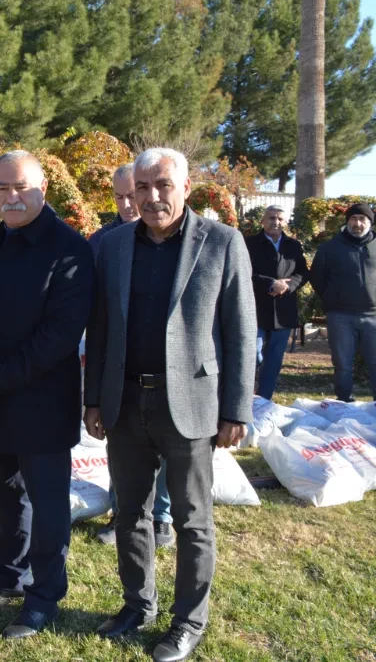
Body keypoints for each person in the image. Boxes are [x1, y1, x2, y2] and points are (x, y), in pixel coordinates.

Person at [84, 148, 256, 662]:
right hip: (125, 399)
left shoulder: (223, 242)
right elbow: (101, 327)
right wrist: (93, 399)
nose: (152, 196)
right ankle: (138, 606)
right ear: (131, 191)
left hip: (192, 403)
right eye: (142, 186)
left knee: (191, 519)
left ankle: (188, 622)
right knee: (130, 512)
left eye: (162, 185)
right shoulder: (112, 245)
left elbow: (241, 331)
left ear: (185, 187)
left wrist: (236, 410)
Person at [0, 150, 93, 638]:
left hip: (40, 400)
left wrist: (0, 378)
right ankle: (10, 577)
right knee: (5, 496)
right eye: (0, 189)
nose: (10, 197)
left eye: (20, 187)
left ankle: (44, 596)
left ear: (43, 188)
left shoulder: (69, 248)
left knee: (48, 505)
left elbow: (60, 334)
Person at [89, 163, 174, 548]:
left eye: (132, 194)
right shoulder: (104, 242)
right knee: (123, 450)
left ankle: (162, 517)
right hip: (121, 372)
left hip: (171, 374)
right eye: (120, 197)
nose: (128, 204)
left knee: (169, 452)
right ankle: (120, 511)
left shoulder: (181, 239)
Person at [310, 203, 376, 401]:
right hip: (340, 316)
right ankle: (344, 402)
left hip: (373, 316)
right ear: (347, 222)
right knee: (343, 364)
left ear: (370, 223)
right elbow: (317, 278)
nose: (357, 223)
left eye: (362, 219)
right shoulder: (330, 248)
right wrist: (332, 298)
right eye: (353, 219)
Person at [246, 205, 309, 400]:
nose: (276, 222)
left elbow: (302, 272)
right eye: (271, 218)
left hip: (283, 311)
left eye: (280, 219)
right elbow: (242, 272)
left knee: (273, 361)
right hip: (256, 310)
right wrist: (270, 283)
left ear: (285, 222)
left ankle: (264, 401)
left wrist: (288, 286)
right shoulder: (248, 244)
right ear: (263, 221)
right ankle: (243, 399)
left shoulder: (293, 245)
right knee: (252, 357)